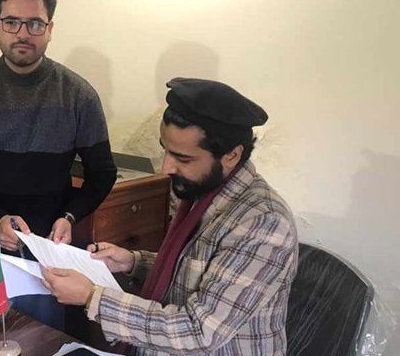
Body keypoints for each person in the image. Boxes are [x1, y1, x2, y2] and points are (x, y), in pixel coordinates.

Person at [41, 78, 298, 356]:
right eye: (165, 149)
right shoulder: (202, 192)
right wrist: (134, 262)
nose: (166, 167)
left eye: (183, 158)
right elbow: (197, 273)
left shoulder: (263, 223)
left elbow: (199, 332)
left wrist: (92, 297)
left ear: (232, 155)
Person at [0, 0, 117, 329]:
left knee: (37, 340)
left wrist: (69, 216)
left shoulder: (78, 95)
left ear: (49, 29)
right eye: (12, 22)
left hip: (42, 253)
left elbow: (103, 172)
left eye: (35, 23)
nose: (23, 33)